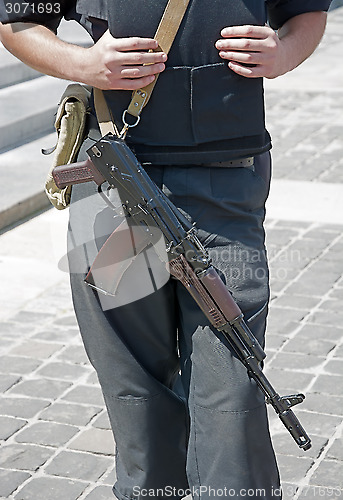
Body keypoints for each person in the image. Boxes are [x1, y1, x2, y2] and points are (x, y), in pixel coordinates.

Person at [0, 1, 330, 499]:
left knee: (231, 383)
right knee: (133, 379)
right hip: (114, 185)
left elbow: (305, 12)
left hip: (224, 185)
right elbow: (19, 20)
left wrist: (282, 51)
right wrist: (82, 64)